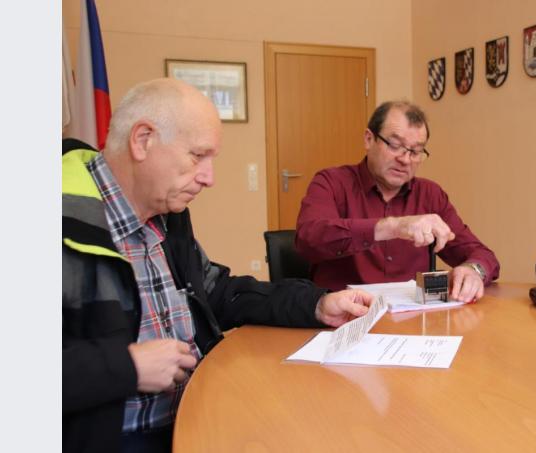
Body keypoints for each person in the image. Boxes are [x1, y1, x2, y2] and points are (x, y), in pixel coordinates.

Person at [62, 78, 374, 453]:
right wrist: (126, 368)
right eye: (197, 156)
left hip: (199, 410)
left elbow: (218, 292)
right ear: (142, 140)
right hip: (120, 437)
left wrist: (315, 304)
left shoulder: (168, 215)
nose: (209, 178)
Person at [295, 101, 500, 302]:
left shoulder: (430, 194)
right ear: (369, 139)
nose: (405, 159)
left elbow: (482, 254)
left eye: (416, 151)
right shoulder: (331, 182)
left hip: (414, 321)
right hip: (345, 318)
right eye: (395, 145)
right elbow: (309, 239)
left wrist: (473, 270)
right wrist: (393, 227)